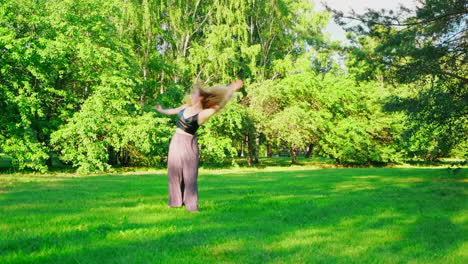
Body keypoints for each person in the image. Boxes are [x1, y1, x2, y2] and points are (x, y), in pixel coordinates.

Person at [155, 79, 243, 212]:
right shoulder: (187, 106)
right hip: (175, 141)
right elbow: (173, 111)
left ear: (201, 98)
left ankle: (191, 206)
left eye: (195, 94)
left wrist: (230, 90)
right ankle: (174, 202)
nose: (192, 95)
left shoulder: (203, 114)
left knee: (189, 175)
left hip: (188, 144)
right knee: (174, 172)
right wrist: (162, 110)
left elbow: (219, 106)